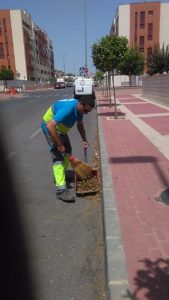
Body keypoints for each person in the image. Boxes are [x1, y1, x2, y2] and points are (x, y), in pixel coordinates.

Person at [41, 95, 95, 203]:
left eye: (88, 112)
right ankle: (61, 190)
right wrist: (60, 145)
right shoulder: (68, 109)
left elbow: (80, 124)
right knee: (59, 158)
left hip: (61, 130)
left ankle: (61, 175)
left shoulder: (80, 110)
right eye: (85, 110)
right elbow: (50, 126)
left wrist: (84, 139)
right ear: (80, 104)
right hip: (51, 128)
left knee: (68, 153)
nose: (86, 113)